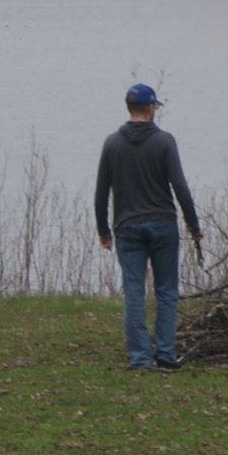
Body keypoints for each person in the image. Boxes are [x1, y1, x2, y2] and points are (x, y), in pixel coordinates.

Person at [93, 83, 202, 370]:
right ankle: (165, 355)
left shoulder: (112, 143)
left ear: (129, 108)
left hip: (127, 227)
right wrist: (194, 225)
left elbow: (101, 191)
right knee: (166, 291)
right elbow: (180, 186)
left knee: (133, 291)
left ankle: (139, 358)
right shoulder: (165, 141)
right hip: (163, 225)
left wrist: (103, 231)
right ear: (151, 108)